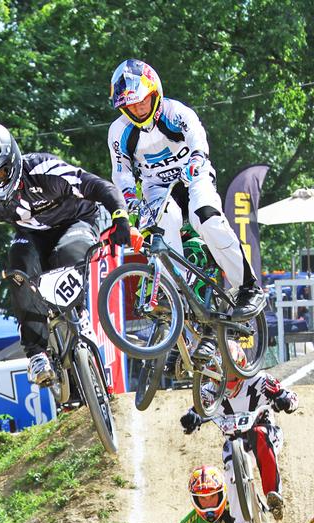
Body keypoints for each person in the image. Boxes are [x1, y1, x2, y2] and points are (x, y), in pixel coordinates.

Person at [108, 59, 265, 361]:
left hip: (192, 176)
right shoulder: (119, 131)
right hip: (156, 189)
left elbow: (198, 141)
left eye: (143, 102)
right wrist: (128, 199)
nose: (139, 110)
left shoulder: (176, 113)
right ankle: (177, 296)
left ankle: (248, 286)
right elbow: (122, 173)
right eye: (131, 106)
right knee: (161, 222)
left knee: (204, 215)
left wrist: (195, 161)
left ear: (155, 93)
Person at [0, 121, 131, 385]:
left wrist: (120, 217)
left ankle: (80, 315)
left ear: (12, 162)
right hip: (32, 234)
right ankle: (37, 354)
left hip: (76, 220)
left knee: (66, 254)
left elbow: (98, 186)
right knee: (18, 268)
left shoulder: (44, 170)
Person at [180, 342, 298, 523]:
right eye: (220, 378)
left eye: (232, 376)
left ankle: (273, 495)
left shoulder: (260, 380)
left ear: (242, 369)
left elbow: (291, 397)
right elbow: (197, 408)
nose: (227, 384)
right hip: (235, 443)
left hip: (266, 434)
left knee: (260, 435)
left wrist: (284, 401)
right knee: (230, 470)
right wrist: (191, 418)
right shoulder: (208, 391)